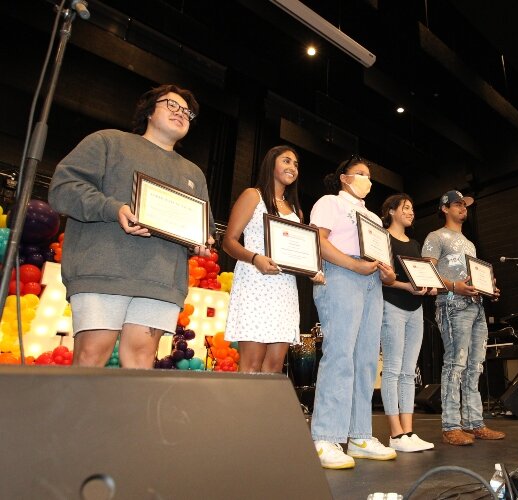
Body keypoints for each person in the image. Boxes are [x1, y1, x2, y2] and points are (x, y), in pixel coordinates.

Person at [48, 84, 214, 369]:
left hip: (161, 281)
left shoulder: (193, 173)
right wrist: (114, 209)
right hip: (103, 270)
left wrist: (200, 242)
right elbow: (63, 188)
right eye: (171, 105)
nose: (181, 113)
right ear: (149, 110)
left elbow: (204, 227)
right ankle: (77, 416)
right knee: (90, 356)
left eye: (187, 112)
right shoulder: (108, 142)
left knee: (140, 362)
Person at [309, 156, 397, 469]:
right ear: (344, 177)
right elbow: (318, 242)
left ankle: (360, 435)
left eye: (370, 176)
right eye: (361, 174)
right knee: (341, 355)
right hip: (342, 274)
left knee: (367, 360)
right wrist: (354, 265)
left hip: (372, 281)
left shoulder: (372, 216)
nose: (367, 180)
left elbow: (382, 259)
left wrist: (386, 273)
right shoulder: (330, 202)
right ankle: (325, 437)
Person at [223, 145, 323, 373]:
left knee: (275, 367)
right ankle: (244, 410)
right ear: (271, 164)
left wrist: (311, 271)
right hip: (255, 283)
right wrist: (255, 258)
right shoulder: (253, 196)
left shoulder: (296, 211)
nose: (292, 167)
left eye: (296, 164)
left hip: (284, 290)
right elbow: (229, 241)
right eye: (286, 161)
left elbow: (299, 254)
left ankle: (265, 410)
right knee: (252, 364)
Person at [422, 190, 504, 446]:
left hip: (476, 305)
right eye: (457, 204)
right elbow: (426, 271)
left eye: (465, 205)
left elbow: (473, 276)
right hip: (452, 304)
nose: (463, 208)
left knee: (475, 365)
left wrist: (488, 287)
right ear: (444, 208)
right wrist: (454, 286)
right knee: (455, 364)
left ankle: (474, 423)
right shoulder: (436, 237)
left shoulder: (469, 243)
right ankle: (451, 426)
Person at [379, 194, 434, 453]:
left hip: (415, 310)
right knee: (392, 369)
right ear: (391, 211)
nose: (411, 212)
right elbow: (382, 278)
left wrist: (429, 287)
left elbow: (422, 275)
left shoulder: (414, 243)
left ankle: (408, 431)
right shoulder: (383, 239)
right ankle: (395, 433)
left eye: (412, 208)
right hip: (393, 306)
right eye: (406, 208)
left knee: (409, 371)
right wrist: (408, 287)